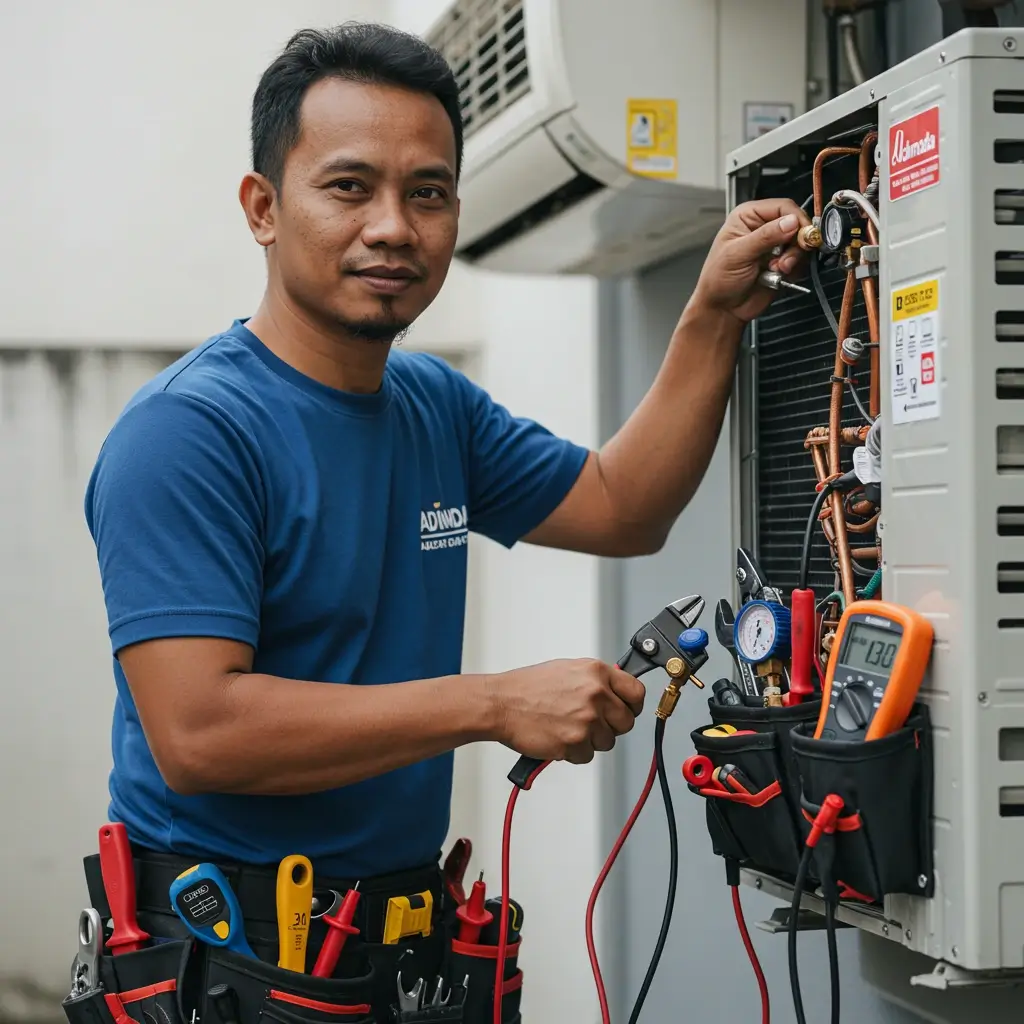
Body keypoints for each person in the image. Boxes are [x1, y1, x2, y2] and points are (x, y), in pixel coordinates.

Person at [83, 19, 808, 1019]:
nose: (394, 225)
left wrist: (712, 315)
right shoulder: (188, 434)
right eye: (349, 187)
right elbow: (201, 734)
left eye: (426, 192)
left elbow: (621, 505)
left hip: (398, 944)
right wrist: (493, 702)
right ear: (263, 206)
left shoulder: (433, 404)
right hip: (227, 957)